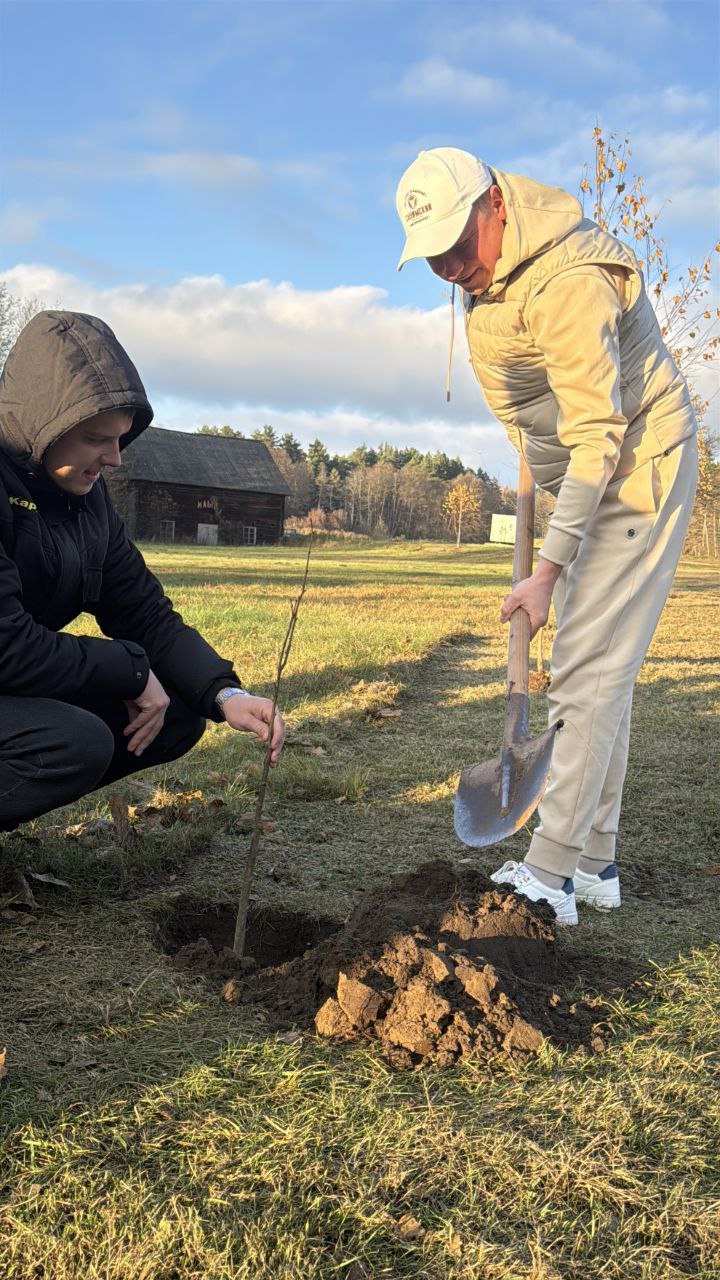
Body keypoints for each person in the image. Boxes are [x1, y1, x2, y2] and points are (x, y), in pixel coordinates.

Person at [395, 148, 698, 925]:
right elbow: (537, 410)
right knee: (601, 671)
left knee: (588, 667)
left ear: (494, 205)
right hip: (584, 475)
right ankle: (594, 863)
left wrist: (548, 570)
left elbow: (597, 432)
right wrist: (537, 473)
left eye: (457, 244)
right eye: (432, 258)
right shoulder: (491, 283)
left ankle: (551, 875)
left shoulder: (566, 281)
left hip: (635, 466)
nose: (449, 267)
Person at [0, 310, 285, 842]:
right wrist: (128, 669)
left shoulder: (87, 501)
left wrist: (225, 693)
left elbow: (144, 612)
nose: (114, 459)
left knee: (177, 709)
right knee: (70, 740)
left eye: (120, 439)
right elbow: (6, 647)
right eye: (96, 439)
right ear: (44, 426)